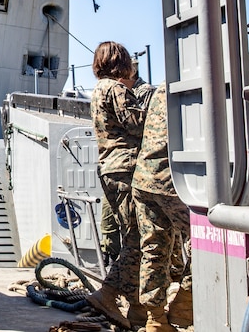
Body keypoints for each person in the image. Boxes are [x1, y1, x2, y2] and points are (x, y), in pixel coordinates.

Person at [85, 42, 151, 329]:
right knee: (138, 236)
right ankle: (109, 294)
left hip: (110, 168)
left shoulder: (98, 90)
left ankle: (129, 301)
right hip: (126, 168)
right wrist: (151, 102)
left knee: (131, 236)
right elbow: (136, 124)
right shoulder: (116, 89)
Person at [133, 83, 192, 331]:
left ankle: (155, 319)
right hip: (173, 181)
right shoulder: (198, 89)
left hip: (144, 178)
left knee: (153, 248)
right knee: (207, 243)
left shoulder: (160, 90)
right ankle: (184, 306)